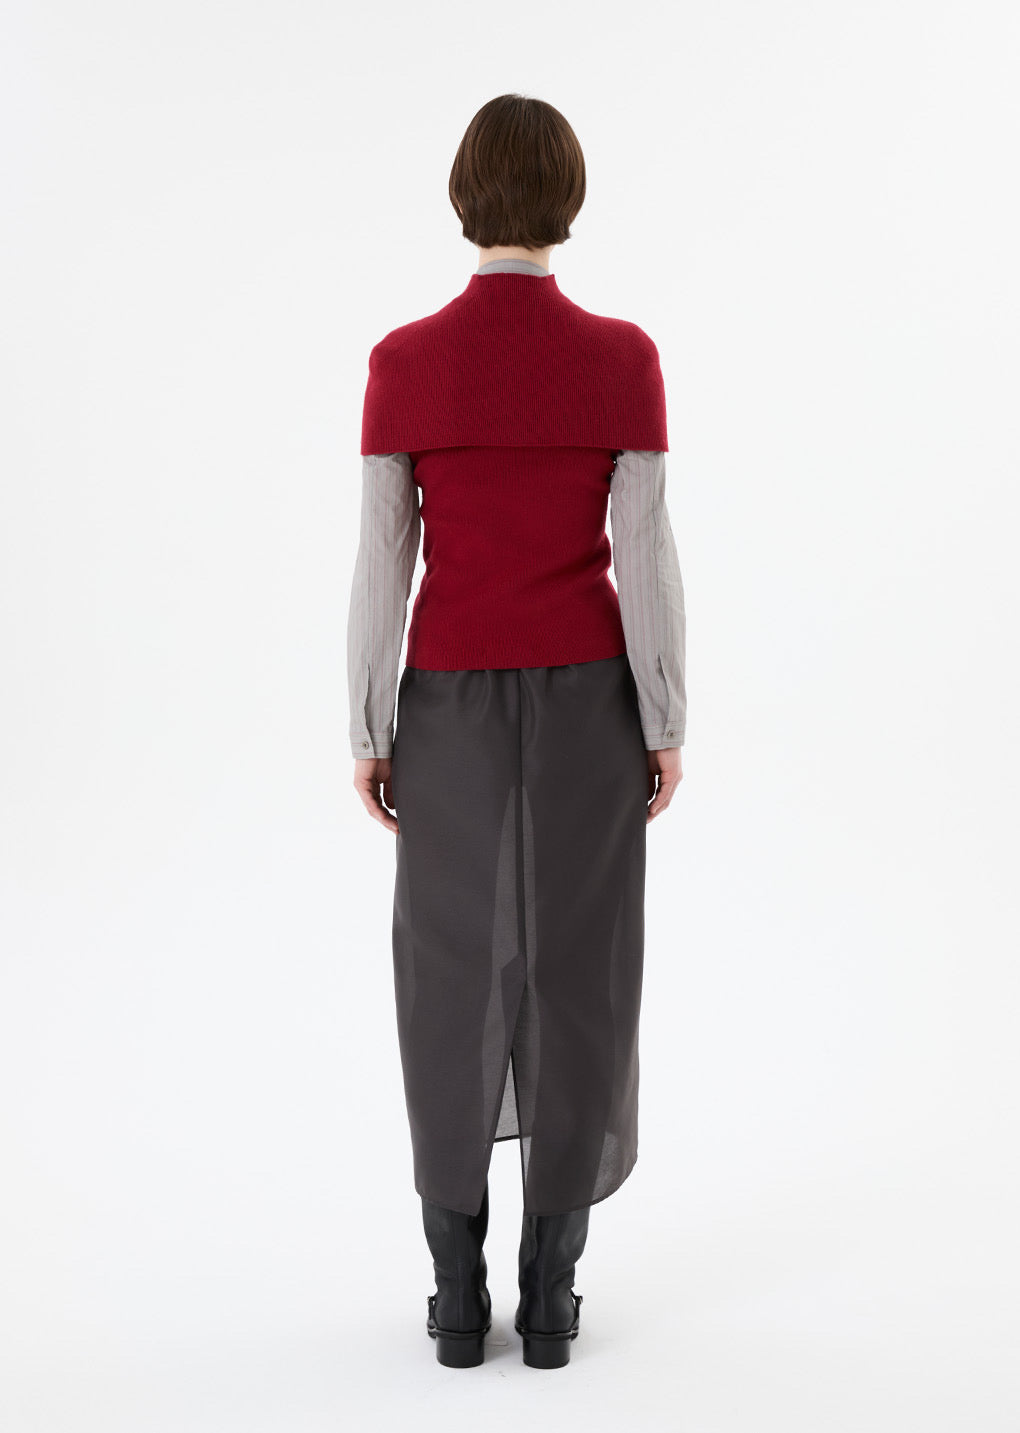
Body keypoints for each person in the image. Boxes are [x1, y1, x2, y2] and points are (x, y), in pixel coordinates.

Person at [347, 93, 686, 1369]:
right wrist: (665, 711)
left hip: (446, 701)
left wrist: (369, 719)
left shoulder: (404, 362)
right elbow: (645, 556)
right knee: (581, 970)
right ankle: (550, 1294)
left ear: (462, 199)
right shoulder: (622, 358)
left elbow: (384, 560)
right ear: (569, 201)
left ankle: (453, 1295)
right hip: (591, 698)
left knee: (447, 974)